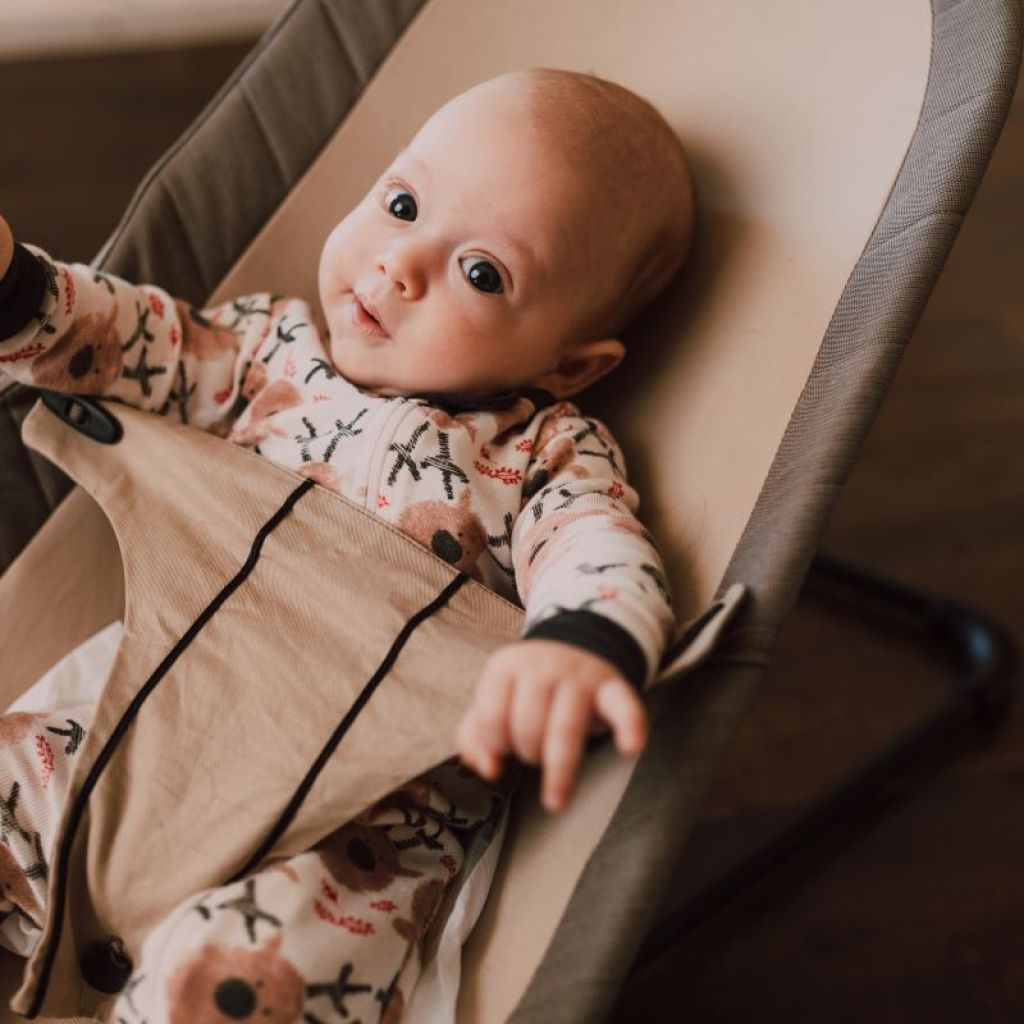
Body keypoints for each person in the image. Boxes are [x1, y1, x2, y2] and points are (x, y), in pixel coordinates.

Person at [0, 67, 693, 1023]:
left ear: (567, 364)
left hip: (356, 818)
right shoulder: (267, 351)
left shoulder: (538, 455)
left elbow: (599, 549)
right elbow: (127, 343)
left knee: (245, 973)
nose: (398, 266)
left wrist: (584, 642)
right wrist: (17, 292)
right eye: (402, 204)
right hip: (150, 715)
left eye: (482, 272)